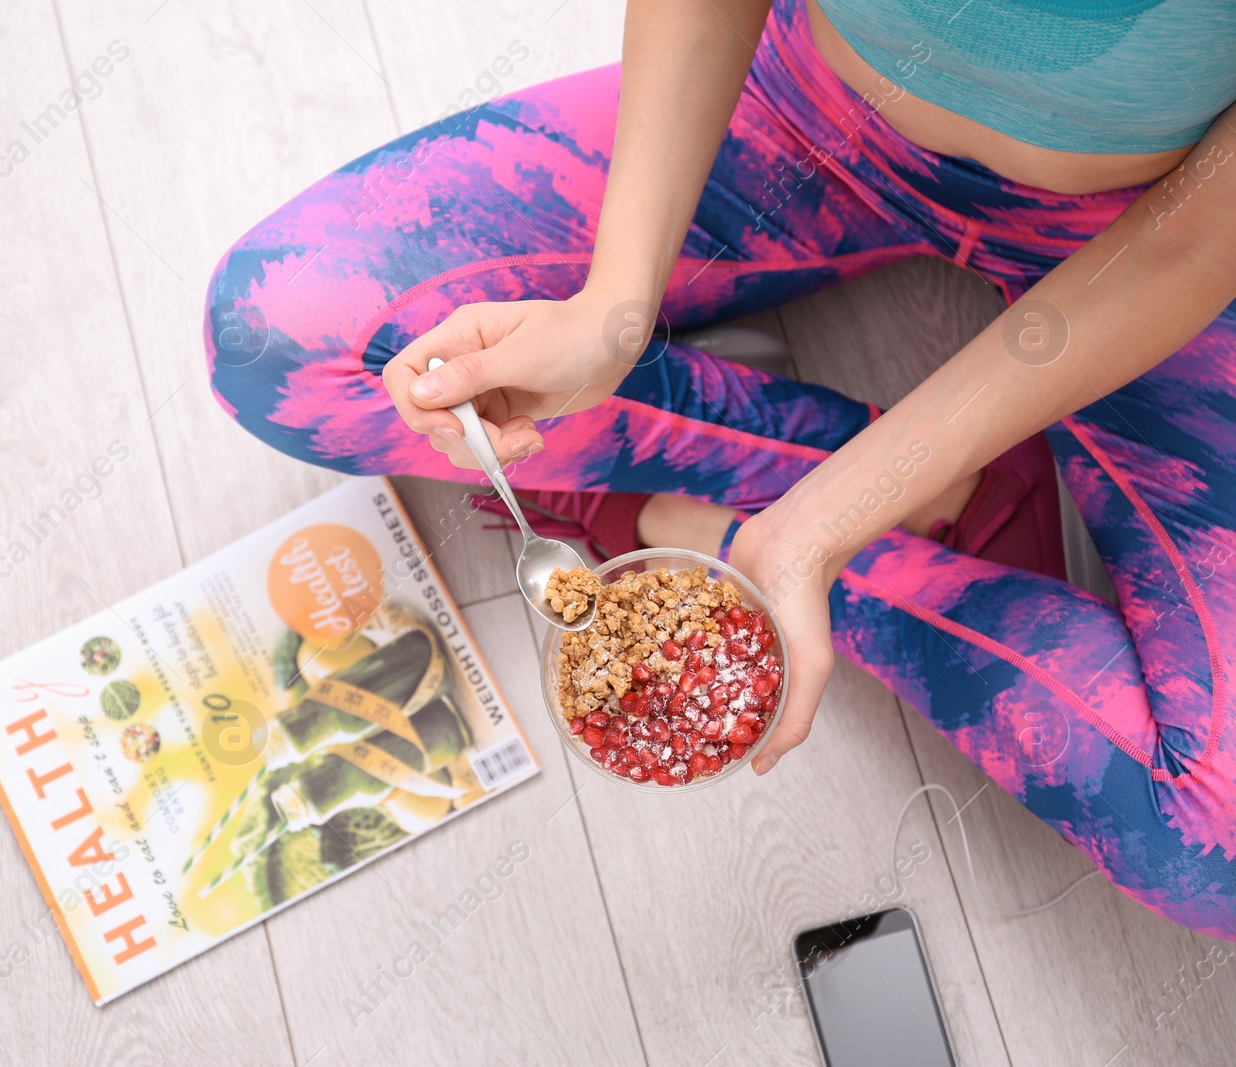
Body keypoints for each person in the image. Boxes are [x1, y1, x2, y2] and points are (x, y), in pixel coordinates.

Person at [204, 0, 1236, 939]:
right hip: (805, 111)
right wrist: (615, 305)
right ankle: (922, 490)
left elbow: (1190, 244)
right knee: (280, 343)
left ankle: (752, 515)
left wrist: (807, 533)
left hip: (1149, 228)